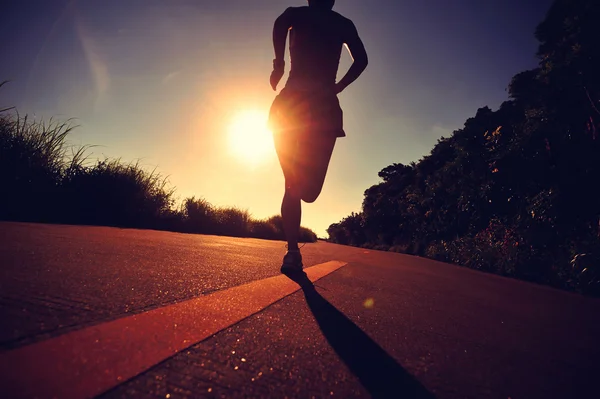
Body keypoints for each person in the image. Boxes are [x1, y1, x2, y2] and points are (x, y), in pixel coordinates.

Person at [268, 0, 368, 273]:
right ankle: (291, 252)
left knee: (308, 191)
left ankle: (292, 247)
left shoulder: (339, 23)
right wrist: (280, 62)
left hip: (317, 109)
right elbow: (279, 23)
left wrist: (338, 86)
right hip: (294, 106)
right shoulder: (299, 15)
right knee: (292, 183)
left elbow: (362, 59)